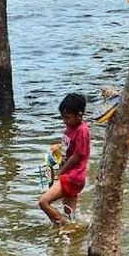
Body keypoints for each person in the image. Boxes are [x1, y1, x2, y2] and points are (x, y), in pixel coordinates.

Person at [39, 93, 91, 225]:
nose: (64, 121)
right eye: (63, 117)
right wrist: (57, 151)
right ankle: (73, 231)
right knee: (70, 212)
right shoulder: (70, 127)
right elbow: (69, 150)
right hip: (71, 174)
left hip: (73, 176)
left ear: (79, 115)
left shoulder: (82, 130)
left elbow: (78, 155)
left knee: (43, 202)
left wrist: (61, 171)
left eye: (67, 117)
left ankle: (63, 224)